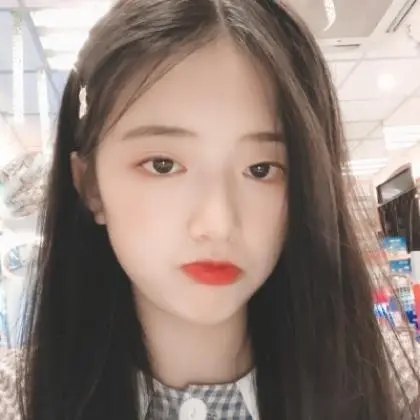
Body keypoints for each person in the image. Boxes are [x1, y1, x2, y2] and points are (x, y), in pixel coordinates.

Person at [0, 0, 419, 419]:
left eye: (261, 169)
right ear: (91, 184)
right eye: (162, 165)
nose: (218, 223)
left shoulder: (392, 389)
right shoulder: (17, 400)